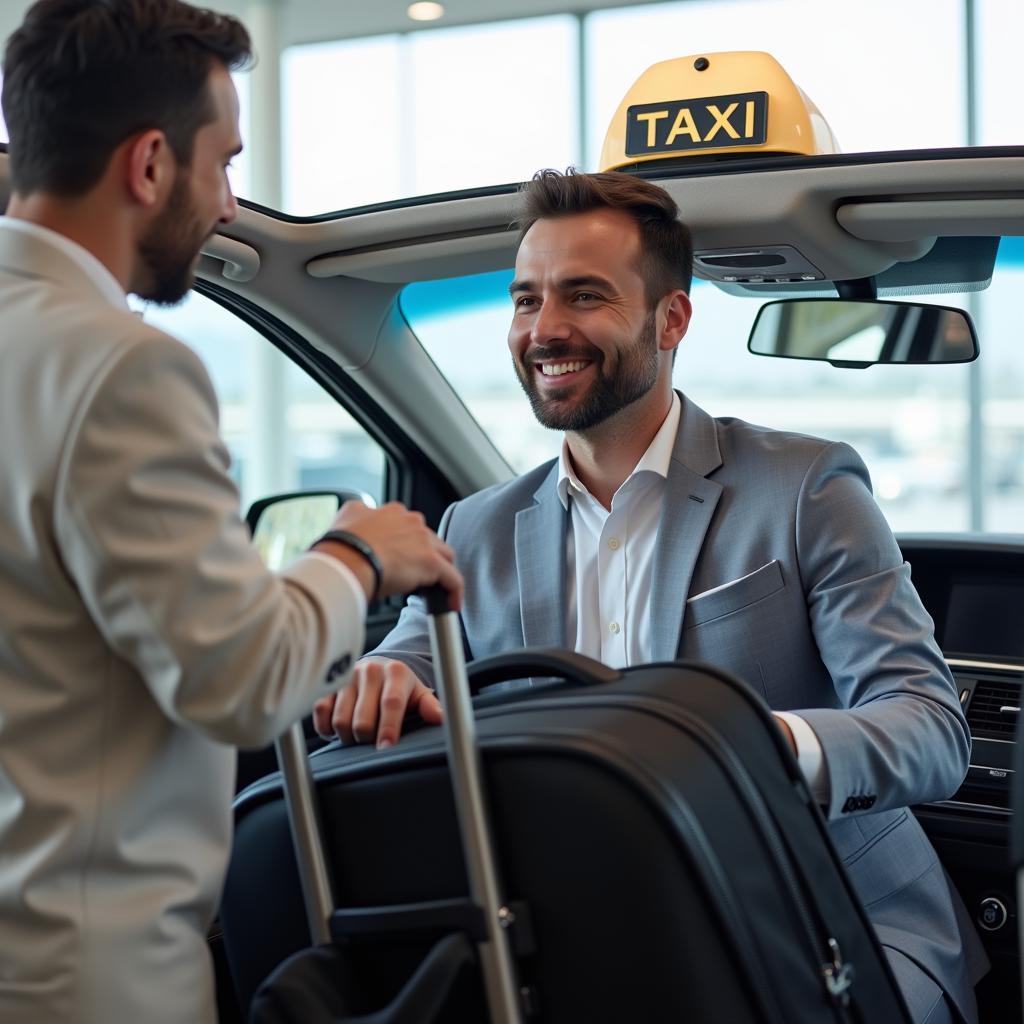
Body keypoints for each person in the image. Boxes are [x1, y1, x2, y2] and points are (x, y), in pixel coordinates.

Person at [314, 169, 988, 1023]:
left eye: (583, 295)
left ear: (671, 319)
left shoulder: (806, 486)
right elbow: (400, 667)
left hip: (828, 925)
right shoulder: (476, 529)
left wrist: (758, 749)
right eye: (526, 301)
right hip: (584, 935)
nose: (545, 329)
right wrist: (374, 682)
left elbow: (930, 729)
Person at [0, 2, 462, 1023]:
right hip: (87, 975)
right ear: (151, 164)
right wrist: (356, 550)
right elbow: (239, 678)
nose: (227, 200)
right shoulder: (121, 367)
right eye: (223, 162)